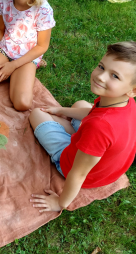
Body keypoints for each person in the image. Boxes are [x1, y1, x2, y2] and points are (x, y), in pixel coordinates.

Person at [29, 41, 136, 212]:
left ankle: (73, 138)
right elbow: (93, 115)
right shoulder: (126, 102)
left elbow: (78, 174)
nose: (101, 76)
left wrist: (60, 203)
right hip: (107, 168)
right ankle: (76, 134)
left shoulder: (99, 127)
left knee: (36, 114)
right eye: (101, 67)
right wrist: (59, 110)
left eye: (115, 76)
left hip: (79, 170)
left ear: (133, 90)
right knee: (79, 105)